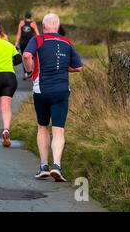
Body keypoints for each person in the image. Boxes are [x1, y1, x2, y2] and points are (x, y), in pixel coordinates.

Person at [22, 13, 83, 182]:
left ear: (43, 26)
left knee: (42, 127)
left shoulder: (38, 40)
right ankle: (57, 165)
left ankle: (43, 166)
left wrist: (28, 70)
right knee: (58, 130)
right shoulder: (67, 42)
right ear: (58, 25)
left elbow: (27, 56)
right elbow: (78, 68)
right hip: (61, 90)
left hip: (42, 90)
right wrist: (65, 68)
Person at [15, 12, 40, 80]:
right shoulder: (33, 24)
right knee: (30, 57)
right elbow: (37, 34)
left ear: (25, 16)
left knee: (24, 57)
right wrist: (39, 42)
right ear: (31, 17)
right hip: (30, 43)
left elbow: (19, 34)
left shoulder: (21, 23)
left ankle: (26, 73)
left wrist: (16, 43)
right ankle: (30, 71)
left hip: (22, 42)